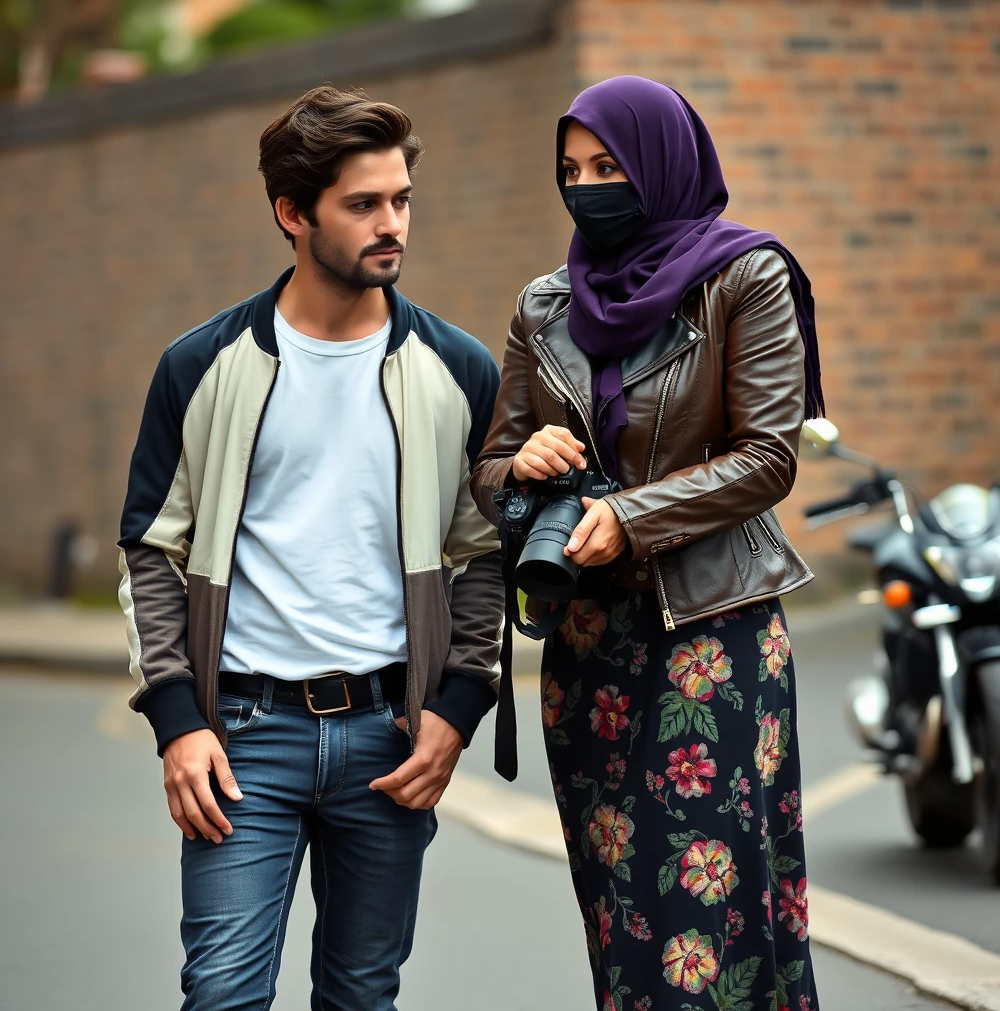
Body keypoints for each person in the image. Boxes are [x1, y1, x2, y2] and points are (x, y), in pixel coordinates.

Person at [117, 86, 504, 1011]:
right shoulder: (201, 366)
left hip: (390, 735)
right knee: (221, 996)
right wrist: (178, 721)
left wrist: (457, 708)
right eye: (363, 204)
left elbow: (482, 554)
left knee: (363, 997)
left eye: (401, 199)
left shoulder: (458, 371)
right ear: (293, 214)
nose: (392, 224)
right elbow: (151, 548)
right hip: (242, 741)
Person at [471, 76, 824, 1011]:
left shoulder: (745, 277)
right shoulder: (544, 305)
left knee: (708, 918)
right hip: (588, 650)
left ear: (663, 165)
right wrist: (523, 462)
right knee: (622, 912)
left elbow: (768, 457)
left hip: (710, 633)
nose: (587, 187)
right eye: (571, 171)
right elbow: (490, 465)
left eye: (609, 166)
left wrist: (631, 515)